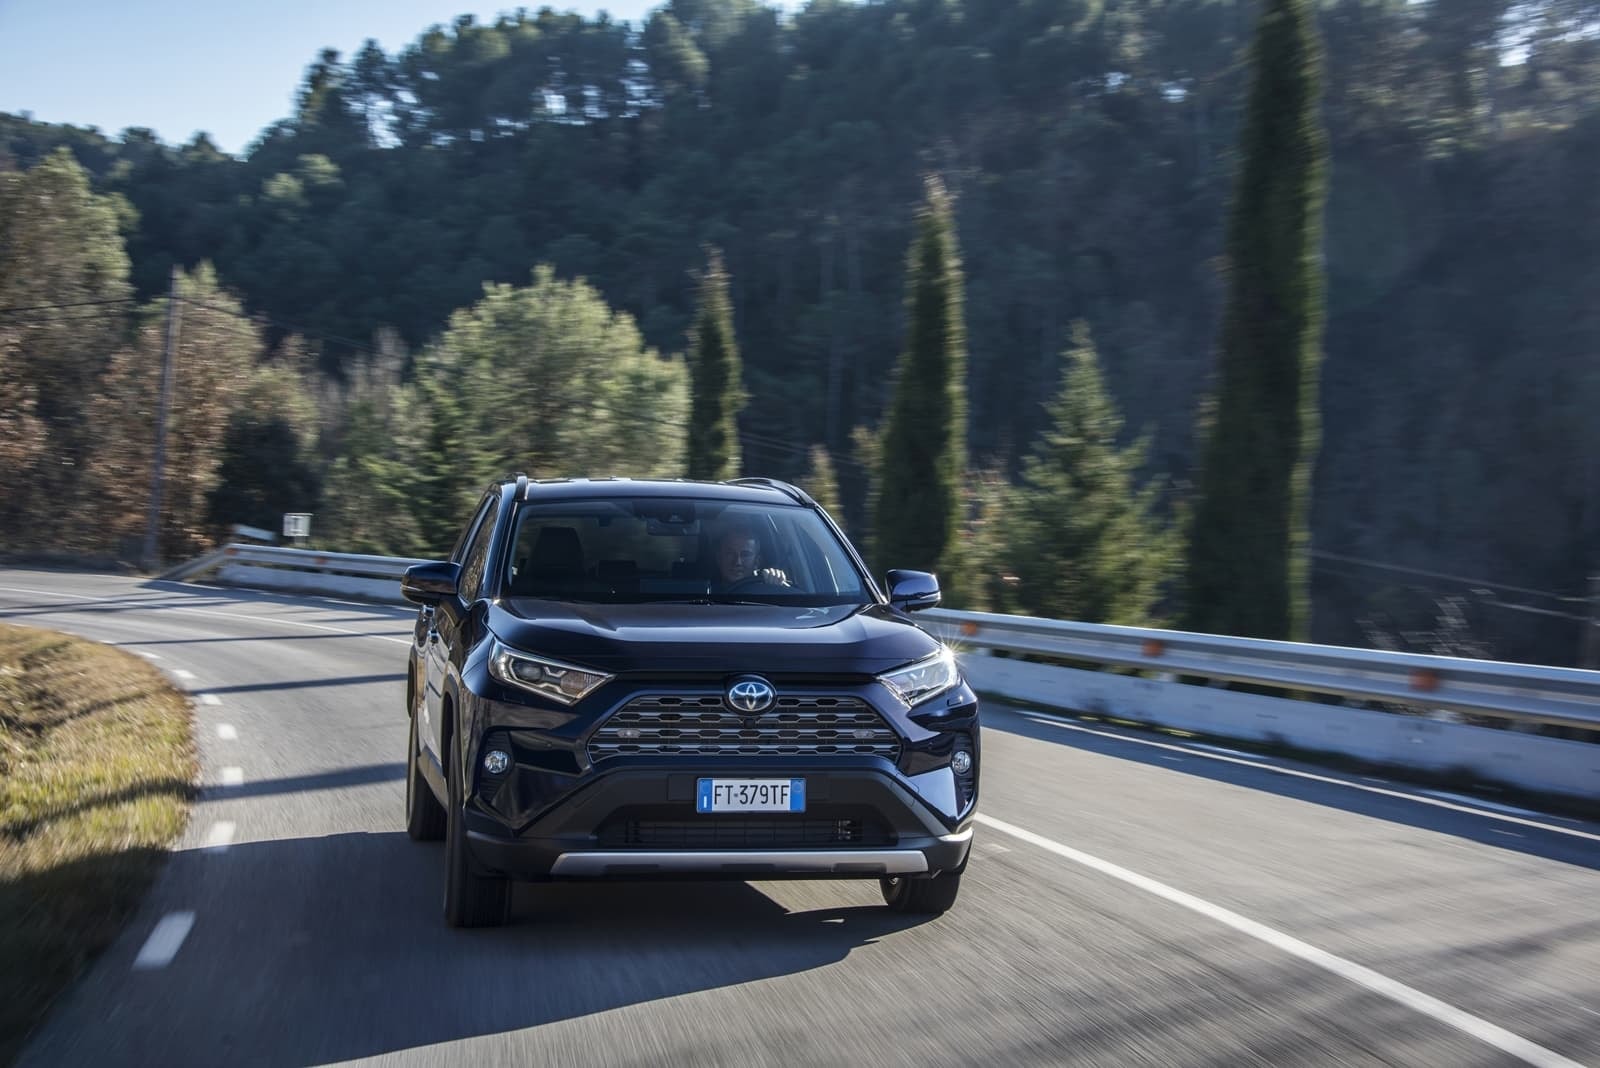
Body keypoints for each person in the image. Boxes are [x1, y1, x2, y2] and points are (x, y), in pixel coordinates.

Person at [714, 522, 790, 589]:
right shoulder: (707, 592)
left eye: (745, 555)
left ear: (757, 562)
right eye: (730, 553)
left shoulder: (766, 590)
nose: (737, 562)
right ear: (719, 558)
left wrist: (776, 584)